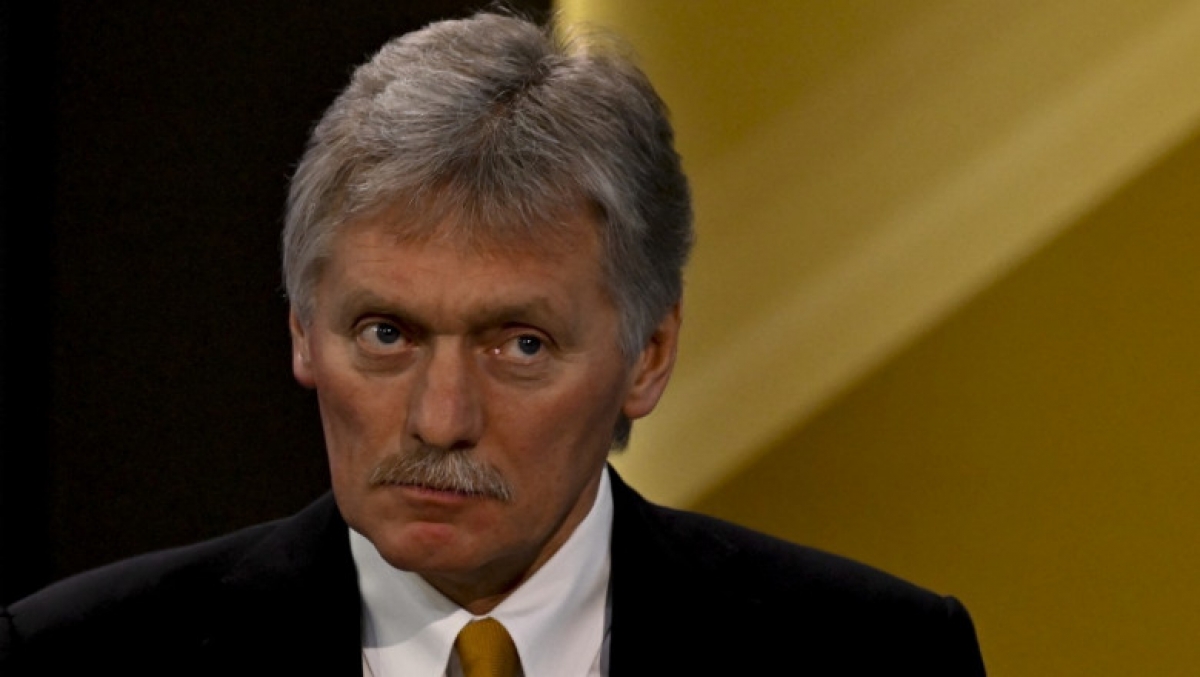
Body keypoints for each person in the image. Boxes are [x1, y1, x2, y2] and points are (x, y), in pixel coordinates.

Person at [0, 9, 986, 675]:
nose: (441, 420)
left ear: (648, 354)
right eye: (386, 333)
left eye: (519, 345)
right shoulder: (79, 659)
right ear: (302, 330)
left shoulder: (877, 656)